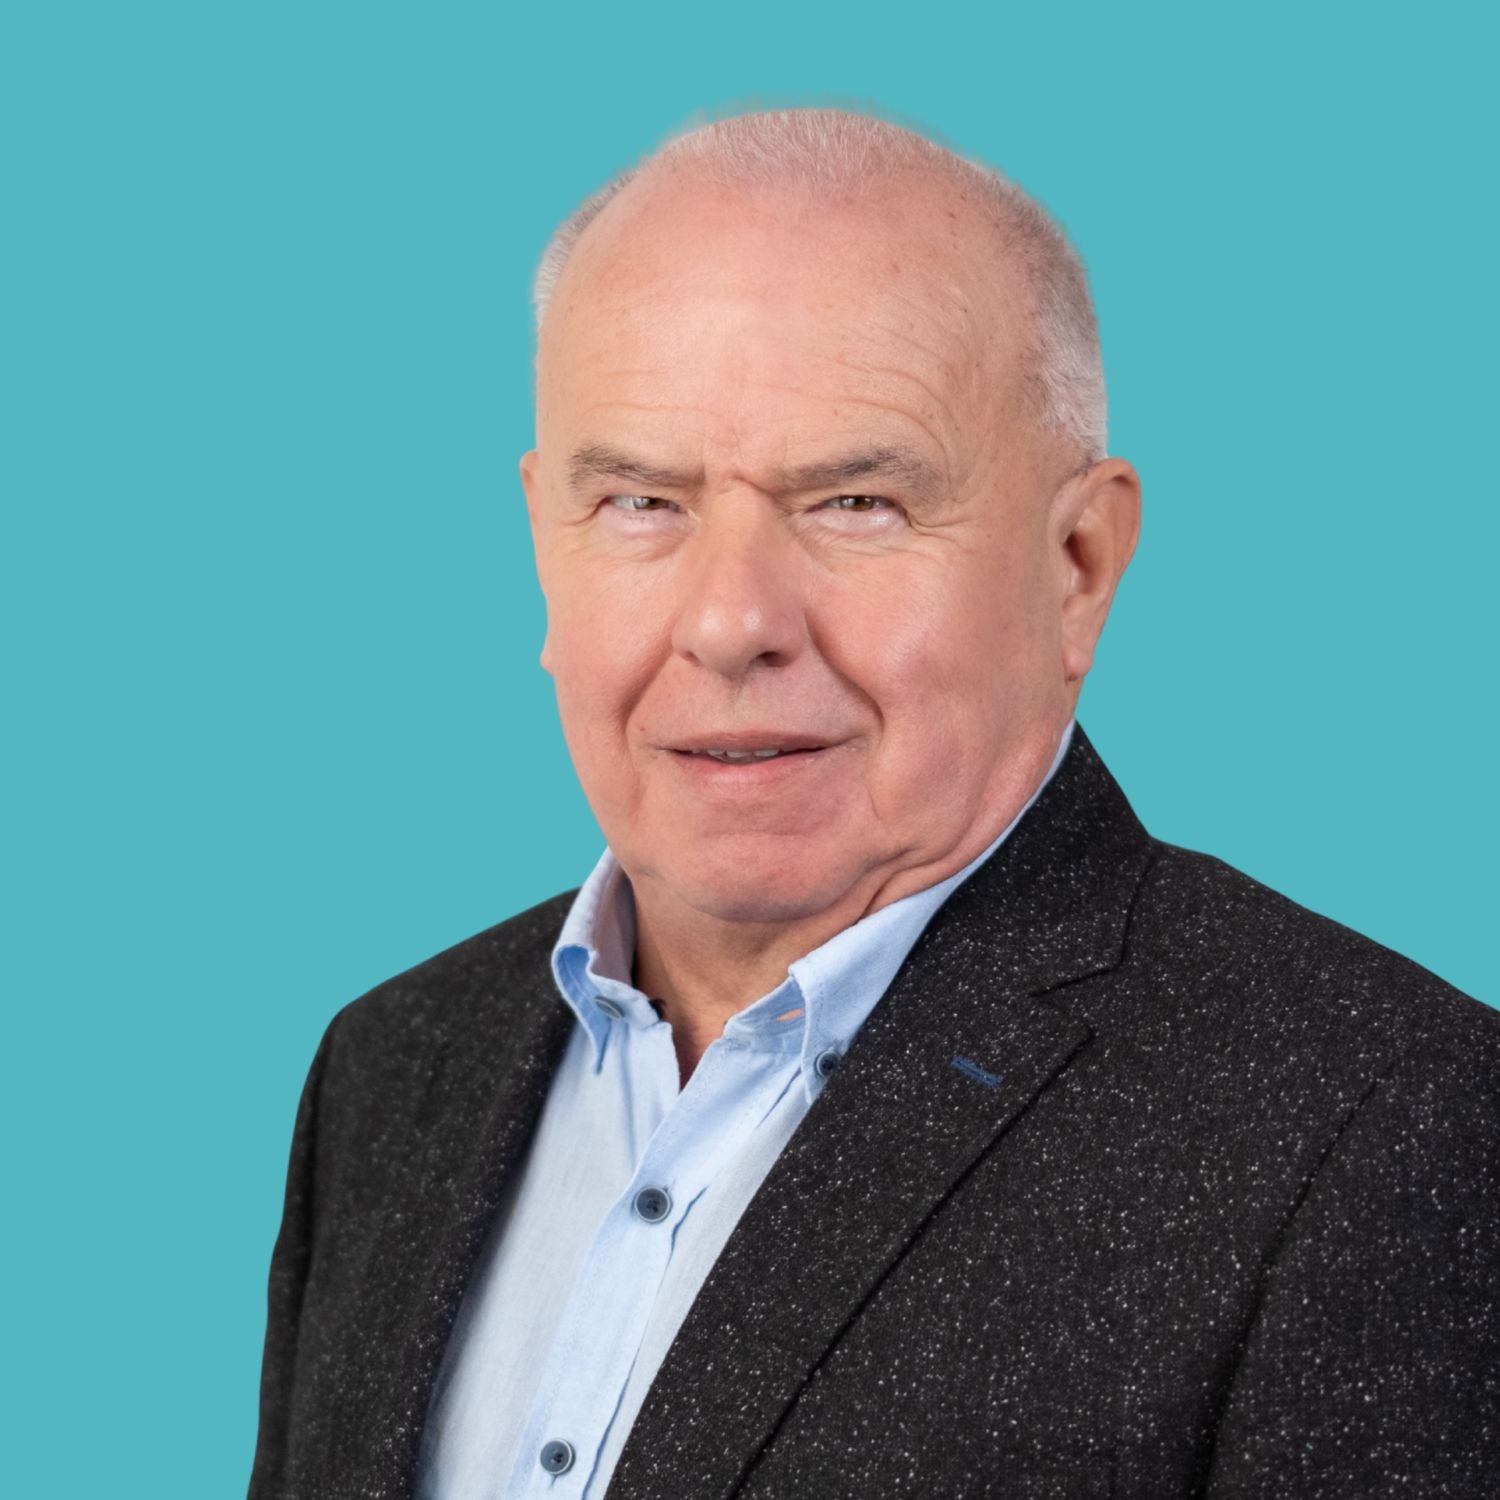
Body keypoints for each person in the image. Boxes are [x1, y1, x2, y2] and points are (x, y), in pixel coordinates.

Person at [249, 109, 1499, 1499]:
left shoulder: (1375, 1127)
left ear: (1078, 564)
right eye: (642, 503)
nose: (731, 623)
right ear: (545, 535)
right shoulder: (391, 1070)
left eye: (855, 501)